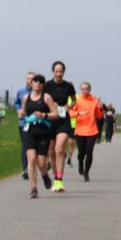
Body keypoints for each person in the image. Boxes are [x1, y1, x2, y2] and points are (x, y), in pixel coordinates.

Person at [17, 74, 58, 199]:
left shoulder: (47, 97)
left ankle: (45, 175)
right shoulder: (25, 97)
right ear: (31, 83)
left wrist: (44, 115)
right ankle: (33, 188)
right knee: (31, 159)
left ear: (43, 85)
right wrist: (21, 113)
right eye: (35, 81)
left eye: (40, 82)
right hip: (29, 131)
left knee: (41, 163)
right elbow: (22, 111)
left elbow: (55, 114)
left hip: (43, 132)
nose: (38, 84)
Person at [44, 61, 77, 193]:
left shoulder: (68, 86)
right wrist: (51, 105)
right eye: (56, 71)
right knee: (51, 151)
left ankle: (59, 180)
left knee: (60, 148)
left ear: (64, 72)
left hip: (63, 119)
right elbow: (43, 99)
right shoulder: (47, 85)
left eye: (61, 71)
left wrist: (68, 106)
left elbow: (74, 100)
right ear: (53, 71)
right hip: (51, 120)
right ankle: (55, 177)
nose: (58, 73)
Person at [68, 82, 104, 182]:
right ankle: (80, 165)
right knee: (81, 153)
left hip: (92, 130)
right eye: (83, 89)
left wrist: (101, 108)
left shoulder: (95, 100)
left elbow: (99, 116)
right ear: (80, 90)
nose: (85, 91)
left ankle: (86, 173)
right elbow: (70, 113)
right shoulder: (77, 100)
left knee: (89, 151)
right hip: (80, 130)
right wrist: (79, 113)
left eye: (87, 89)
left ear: (90, 89)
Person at [14, 72, 35, 180]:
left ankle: (41, 164)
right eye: (28, 78)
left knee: (36, 146)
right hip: (24, 123)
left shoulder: (40, 92)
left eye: (32, 79)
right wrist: (19, 110)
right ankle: (25, 169)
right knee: (25, 146)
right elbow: (16, 103)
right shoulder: (21, 92)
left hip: (37, 123)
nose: (30, 80)